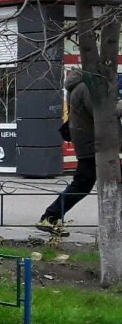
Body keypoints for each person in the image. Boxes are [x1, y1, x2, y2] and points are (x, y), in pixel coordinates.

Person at [37, 68, 122, 234]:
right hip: (94, 145)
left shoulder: (80, 87)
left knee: (89, 184)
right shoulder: (86, 88)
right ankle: (50, 217)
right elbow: (102, 115)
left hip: (92, 144)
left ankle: (50, 217)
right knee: (82, 184)